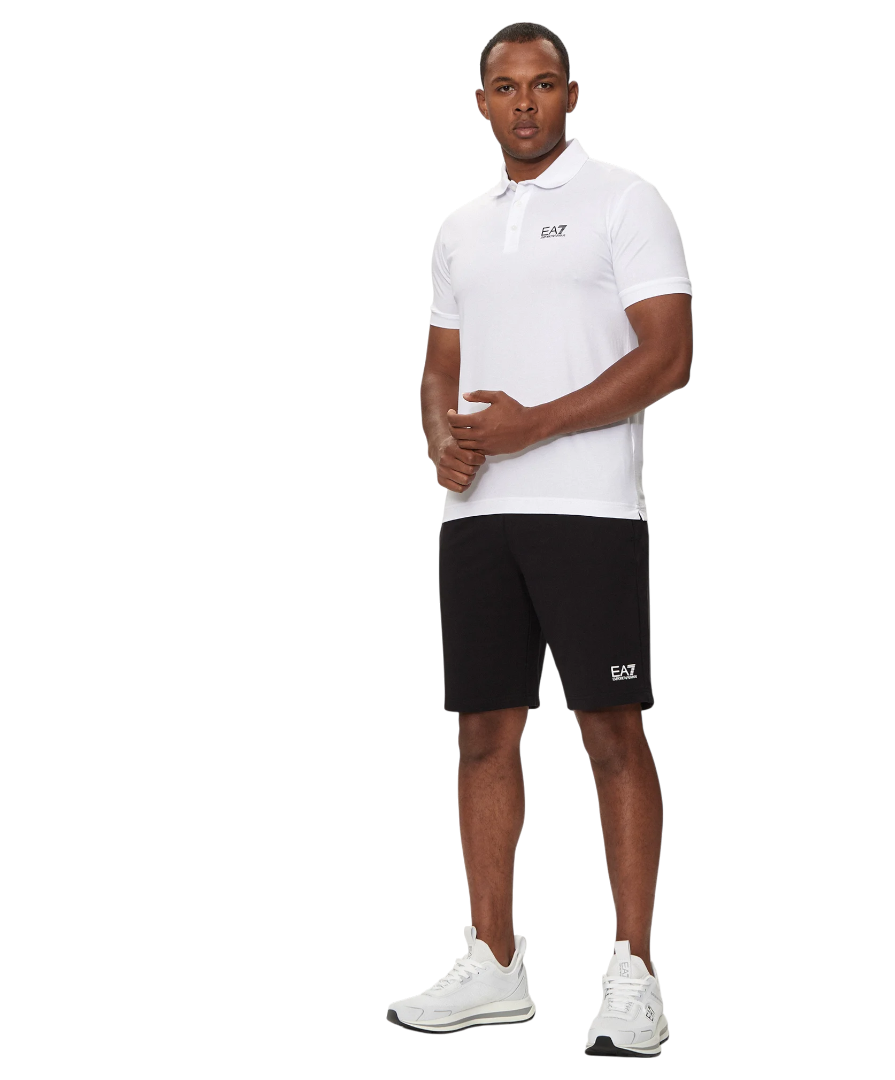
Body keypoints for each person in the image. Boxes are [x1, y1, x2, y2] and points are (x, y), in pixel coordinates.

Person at [386, 22, 693, 1059]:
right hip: (478, 520)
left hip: (590, 511)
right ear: (481, 101)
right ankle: (494, 960)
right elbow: (440, 359)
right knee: (482, 735)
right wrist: (440, 436)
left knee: (610, 732)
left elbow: (670, 356)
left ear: (572, 94)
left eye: (544, 84)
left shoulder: (625, 201)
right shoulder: (460, 228)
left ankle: (634, 973)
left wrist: (535, 426)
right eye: (506, 87)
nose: (525, 103)